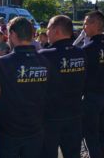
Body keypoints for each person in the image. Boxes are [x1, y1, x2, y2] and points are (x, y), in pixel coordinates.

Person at [0, 17, 49, 158]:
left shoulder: (2, 62)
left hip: (9, 130)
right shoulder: (45, 60)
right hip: (36, 127)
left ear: (13, 34)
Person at [40, 15, 86, 158]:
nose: (46, 32)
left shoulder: (44, 55)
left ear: (56, 30)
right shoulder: (81, 53)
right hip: (75, 114)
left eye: (48, 28)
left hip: (50, 117)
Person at [81, 11, 104, 158]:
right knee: (101, 133)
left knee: (90, 134)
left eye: (86, 23)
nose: (83, 26)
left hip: (91, 96)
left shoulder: (87, 49)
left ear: (95, 24)